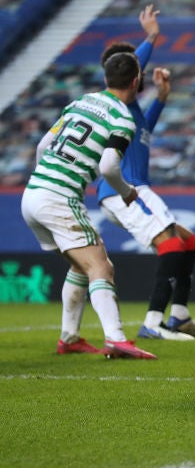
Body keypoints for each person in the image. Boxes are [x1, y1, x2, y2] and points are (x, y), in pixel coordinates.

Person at [22, 52, 157, 359]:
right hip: (58, 198)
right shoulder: (122, 118)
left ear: (106, 78)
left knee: (80, 265)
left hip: (32, 194)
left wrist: (52, 178)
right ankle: (116, 339)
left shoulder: (79, 103)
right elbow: (109, 166)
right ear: (136, 81)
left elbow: (43, 146)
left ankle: (69, 338)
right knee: (101, 266)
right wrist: (125, 192)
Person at [96, 4, 195, 341]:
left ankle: (179, 315)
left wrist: (161, 98)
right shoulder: (118, 101)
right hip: (126, 189)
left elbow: (144, 129)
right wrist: (152, 36)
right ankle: (152, 323)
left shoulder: (130, 111)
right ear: (131, 75)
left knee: (187, 240)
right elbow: (134, 67)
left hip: (129, 190)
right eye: (137, 69)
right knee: (172, 245)